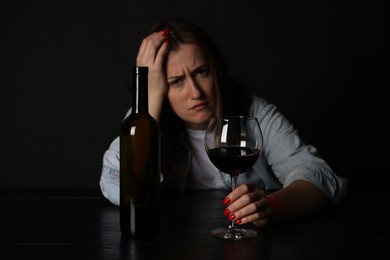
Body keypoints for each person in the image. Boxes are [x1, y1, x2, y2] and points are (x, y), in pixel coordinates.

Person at [100, 20, 348, 227]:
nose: (195, 92)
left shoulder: (253, 111)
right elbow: (115, 186)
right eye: (176, 81)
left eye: (201, 72)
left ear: (216, 69)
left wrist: (268, 207)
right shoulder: (145, 118)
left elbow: (320, 177)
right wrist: (150, 95)